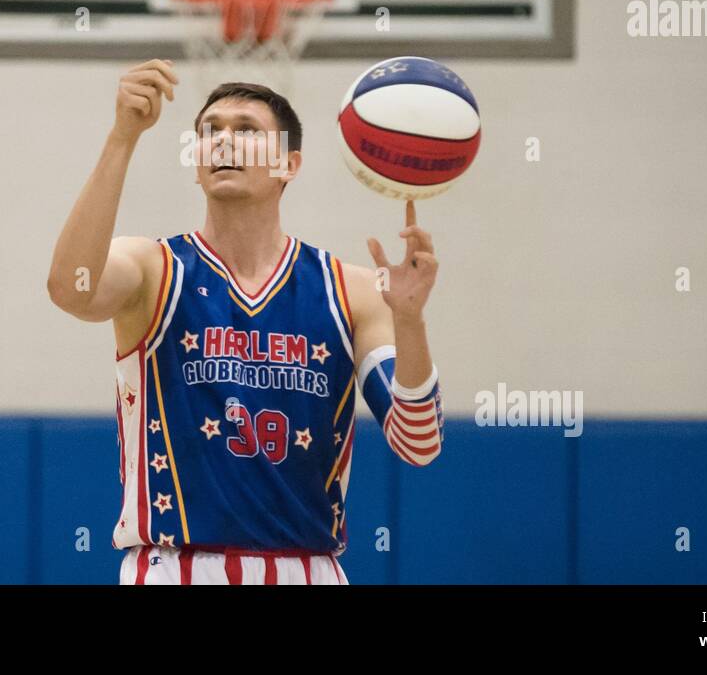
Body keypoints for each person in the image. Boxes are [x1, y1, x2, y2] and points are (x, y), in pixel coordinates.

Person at [47, 59, 444, 585]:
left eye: (247, 131)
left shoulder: (350, 290)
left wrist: (411, 321)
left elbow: (418, 444)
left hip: (306, 570)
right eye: (210, 133)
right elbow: (69, 289)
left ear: (289, 163)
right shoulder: (153, 270)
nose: (224, 142)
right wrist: (124, 136)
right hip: (173, 569)